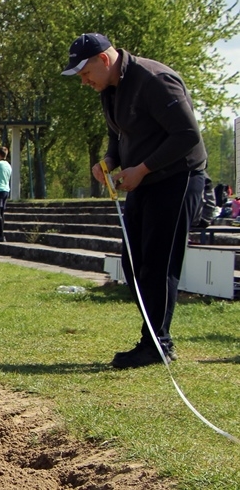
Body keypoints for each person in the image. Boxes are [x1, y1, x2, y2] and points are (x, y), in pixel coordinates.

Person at [63, 32, 206, 369]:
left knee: (158, 263)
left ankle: (157, 344)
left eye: (85, 74)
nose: (84, 82)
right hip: (144, 181)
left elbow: (187, 135)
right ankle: (154, 339)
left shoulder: (155, 80)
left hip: (177, 180)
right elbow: (119, 134)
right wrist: (110, 161)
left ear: (104, 60)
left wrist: (142, 168)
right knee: (132, 262)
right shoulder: (109, 89)